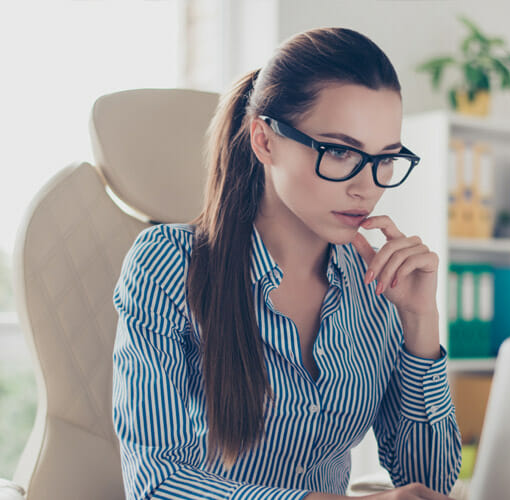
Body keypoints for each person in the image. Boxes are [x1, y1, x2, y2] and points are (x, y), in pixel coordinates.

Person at [111, 27, 461, 500]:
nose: (366, 186)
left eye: (385, 159)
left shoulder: (379, 285)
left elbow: (431, 485)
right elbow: (155, 485)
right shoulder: (169, 265)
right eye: (339, 151)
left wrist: (421, 323)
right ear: (265, 141)